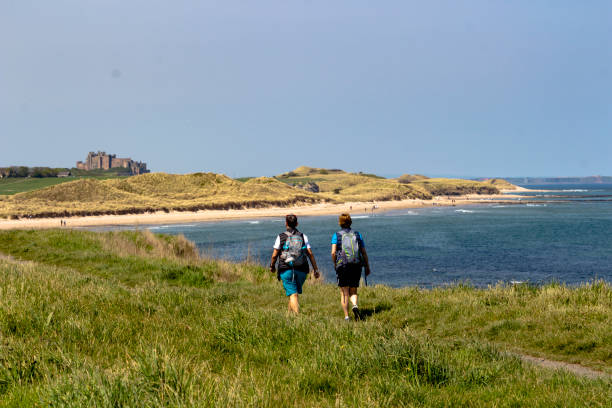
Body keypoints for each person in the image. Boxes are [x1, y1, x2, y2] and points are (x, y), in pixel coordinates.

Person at [270, 214, 320, 314]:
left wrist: (272, 266)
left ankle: (297, 319)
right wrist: (316, 269)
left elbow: (274, 255)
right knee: (294, 293)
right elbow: (310, 254)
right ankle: (289, 316)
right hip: (301, 270)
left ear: (286, 223)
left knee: (293, 294)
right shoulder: (303, 236)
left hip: (286, 269)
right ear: (297, 224)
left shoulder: (281, 237)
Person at [331, 213, 371, 321]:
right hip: (356, 265)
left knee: (344, 292)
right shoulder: (357, 235)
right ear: (350, 222)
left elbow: (333, 252)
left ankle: (347, 316)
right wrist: (367, 266)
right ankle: (355, 305)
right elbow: (363, 252)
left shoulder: (336, 235)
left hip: (342, 265)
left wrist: (335, 263)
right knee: (353, 289)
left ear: (340, 223)